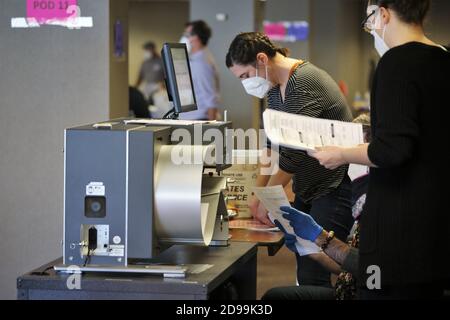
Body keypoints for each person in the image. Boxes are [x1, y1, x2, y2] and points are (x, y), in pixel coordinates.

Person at [308, 0, 450, 299]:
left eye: (370, 18)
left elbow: (392, 149)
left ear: (383, 14)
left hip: (397, 233)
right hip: (434, 228)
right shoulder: (442, 58)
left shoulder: (396, 63)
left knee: (375, 291)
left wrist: (342, 154)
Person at [226, 32, 354, 287]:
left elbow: (293, 154)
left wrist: (267, 195)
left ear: (261, 59)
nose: (246, 84)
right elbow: (272, 145)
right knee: (305, 262)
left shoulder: (302, 82)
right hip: (308, 187)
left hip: (333, 186)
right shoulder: (275, 89)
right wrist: (257, 192)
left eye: (245, 76)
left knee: (313, 270)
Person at [263, 114, 372, 301]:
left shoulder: (384, 207)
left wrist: (320, 237)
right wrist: (312, 252)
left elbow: (371, 271)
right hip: (346, 290)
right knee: (275, 297)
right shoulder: (366, 196)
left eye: (354, 155)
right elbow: (349, 270)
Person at [179, 20, 221, 121]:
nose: (185, 38)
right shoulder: (197, 58)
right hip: (192, 117)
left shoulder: (201, 62)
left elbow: (210, 97)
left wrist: (211, 128)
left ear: (196, 37)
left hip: (199, 118)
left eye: (187, 35)